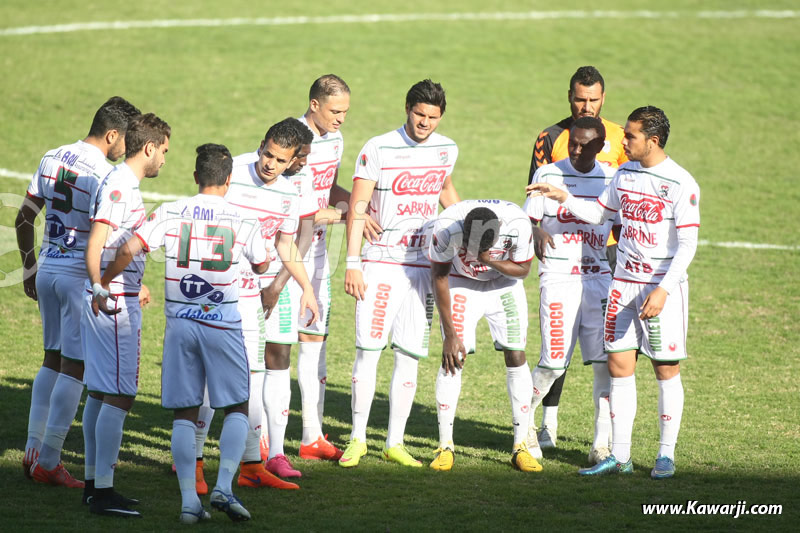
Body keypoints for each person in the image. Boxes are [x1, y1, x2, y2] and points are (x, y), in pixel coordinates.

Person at [98, 143, 270, 523]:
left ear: (195, 177)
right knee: (238, 405)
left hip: (180, 325)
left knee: (185, 413)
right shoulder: (244, 219)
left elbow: (129, 247)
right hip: (222, 323)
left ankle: (189, 502)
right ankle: (224, 486)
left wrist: (103, 283)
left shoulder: (171, 211)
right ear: (228, 180)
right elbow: (261, 265)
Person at [528, 106, 700, 479]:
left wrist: (664, 289)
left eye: (631, 136)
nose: (623, 141)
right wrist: (562, 197)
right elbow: (599, 215)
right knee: (619, 368)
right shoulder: (624, 173)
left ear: (652, 141)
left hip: (659, 289)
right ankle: (618, 456)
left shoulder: (680, 183)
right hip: (621, 285)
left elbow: (688, 245)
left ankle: (665, 456)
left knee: (665, 369)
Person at [16, 97, 140, 487]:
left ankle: (32, 450)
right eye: (127, 139)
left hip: (48, 269)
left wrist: (29, 266)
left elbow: (24, 215)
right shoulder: (107, 175)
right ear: (112, 134)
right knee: (76, 365)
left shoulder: (51, 156)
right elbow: (102, 237)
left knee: (51, 359)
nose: (129, 147)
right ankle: (49, 459)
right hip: (76, 277)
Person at [340, 79, 460, 468]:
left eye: (433, 117)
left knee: (409, 356)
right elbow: (358, 205)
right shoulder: (377, 147)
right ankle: (357, 438)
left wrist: (466, 228)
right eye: (419, 114)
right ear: (406, 108)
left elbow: (445, 190)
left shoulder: (447, 149)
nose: (425, 123)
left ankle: (394, 441)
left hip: (422, 267)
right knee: (369, 352)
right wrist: (353, 263)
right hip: (380, 264)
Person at [526, 65, 628, 450]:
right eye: (579, 99)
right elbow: (531, 202)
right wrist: (534, 227)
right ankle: (533, 424)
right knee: (554, 360)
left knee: (605, 362)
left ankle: (600, 443)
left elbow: (618, 210)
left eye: (593, 99)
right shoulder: (549, 148)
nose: (586, 106)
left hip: (603, 268)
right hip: (559, 273)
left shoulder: (615, 158)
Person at [81, 112, 171, 517]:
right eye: (164, 151)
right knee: (120, 394)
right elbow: (99, 241)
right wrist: (104, 286)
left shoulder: (121, 182)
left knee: (101, 392)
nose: (165, 161)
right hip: (114, 302)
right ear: (148, 148)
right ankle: (103, 491)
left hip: (115, 292)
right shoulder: (121, 187)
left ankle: (93, 485)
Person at [224, 118, 319, 482]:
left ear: (292, 161)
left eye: (280, 161)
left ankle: (274, 453)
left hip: (270, 283)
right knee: (220, 364)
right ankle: (198, 454)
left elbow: (286, 243)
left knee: (276, 358)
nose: (270, 164)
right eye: (267, 155)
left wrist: (304, 288)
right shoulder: (233, 171)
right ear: (261, 145)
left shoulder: (290, 190)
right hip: (230, 287)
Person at [427, 201, 539, 473]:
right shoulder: (446, 227)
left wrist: (489, 260)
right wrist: (450, 334)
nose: (475, 254)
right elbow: (439, 276)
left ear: (498, 231)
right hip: (461, 282)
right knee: (453, 357)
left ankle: (520, 446)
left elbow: (523, 270)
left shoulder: (518, 224)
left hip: (503, 283)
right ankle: (445, 446)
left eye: (481, 248)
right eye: (470, 247)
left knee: (516, 354)